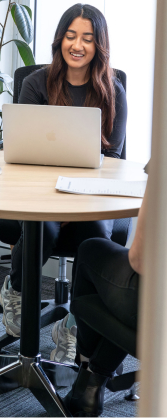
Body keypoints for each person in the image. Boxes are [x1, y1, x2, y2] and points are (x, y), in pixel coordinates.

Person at [0, 3, 127, 364]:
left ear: (98, 46)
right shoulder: (37, 83)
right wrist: (57, 201)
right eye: (71, 36)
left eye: (87, 38)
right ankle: (18, 289)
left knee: (97, 238)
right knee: (47, 229)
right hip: (40, 189)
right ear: (60, 40)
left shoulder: (113, 91)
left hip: (90, 195)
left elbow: (113, 161)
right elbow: (23, 150)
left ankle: (73, 324)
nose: (78, 45)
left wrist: (77, 200)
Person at [64, 161, 148, 417]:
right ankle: (91, 383)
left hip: (154, 306)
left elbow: (141, 260)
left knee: (91, 251)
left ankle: (87, 376)